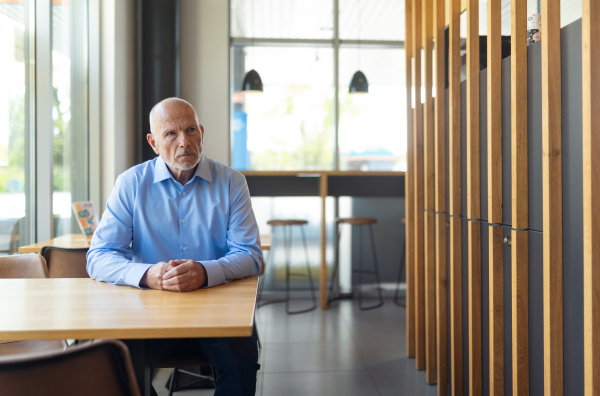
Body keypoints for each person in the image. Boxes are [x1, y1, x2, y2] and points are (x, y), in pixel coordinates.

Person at [87, 97, 262, 395]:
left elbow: (251, 256)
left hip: (217, 310)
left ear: (202, 133)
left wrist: (205, 272)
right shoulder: (130, 184)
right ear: (153, 142)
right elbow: (99, 256)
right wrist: (147, 275)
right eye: (171, 134)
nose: (184, 142)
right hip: (148, 312)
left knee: (242, 361)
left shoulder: (232, 182)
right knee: (114, 362)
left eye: (191, 130)